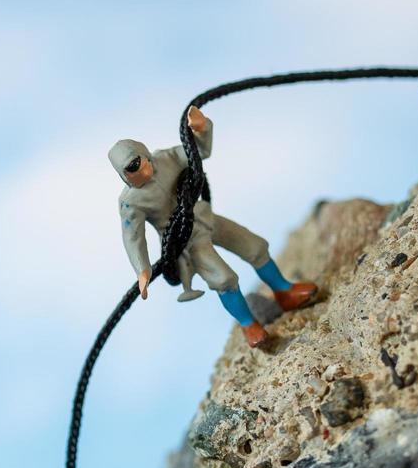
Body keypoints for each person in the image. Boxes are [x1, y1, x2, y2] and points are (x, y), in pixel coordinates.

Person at [109, 106, 316, 349]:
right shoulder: (130, 202)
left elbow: (200, 152)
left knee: (255, 246)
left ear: (145, 154)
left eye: (139, 161)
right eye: (131, 169)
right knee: (224, 279)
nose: (140, 169)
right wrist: (142, 270)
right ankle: (249, 324)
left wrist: (201, 128)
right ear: (123, 175)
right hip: (184, 241)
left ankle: (284, 291)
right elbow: (133, 237)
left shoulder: (166, 158)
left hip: (203, 216)